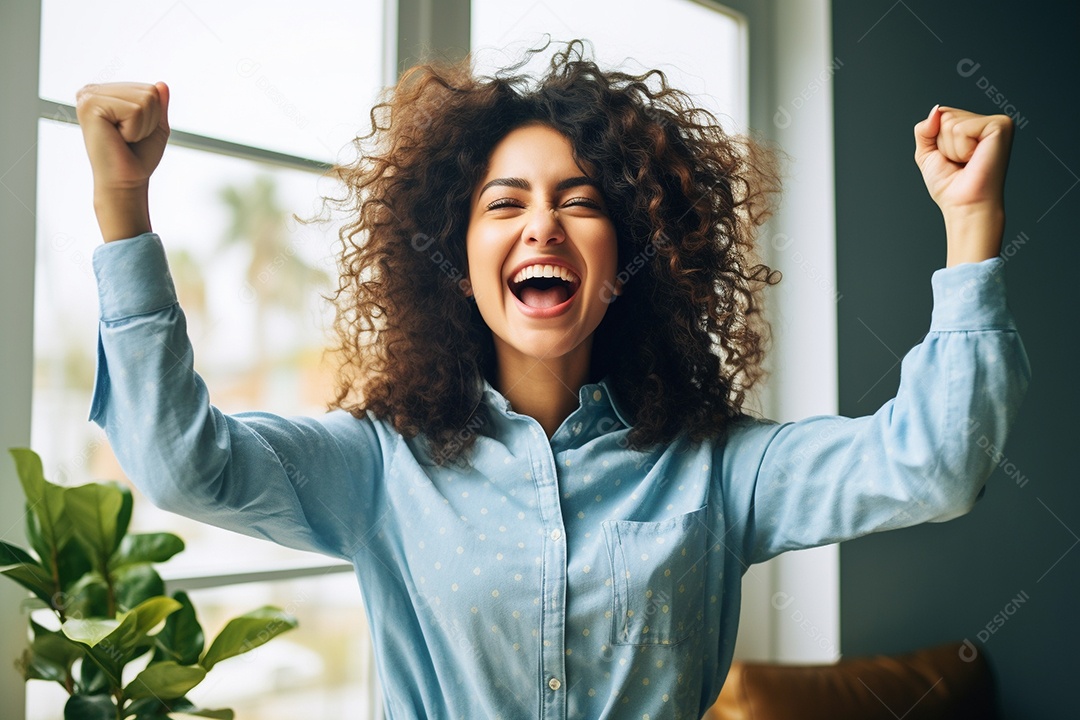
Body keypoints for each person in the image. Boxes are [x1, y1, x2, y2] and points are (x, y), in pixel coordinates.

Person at [76, 41, 1027, 719]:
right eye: (505, 204)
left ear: (628, 261)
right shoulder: (376, 468)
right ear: (456, 255)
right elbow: (180, 464)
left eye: (581, 203)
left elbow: (937, 465)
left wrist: (971, 219)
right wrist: (124, 207)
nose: (543, 227)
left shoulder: (724, 468)